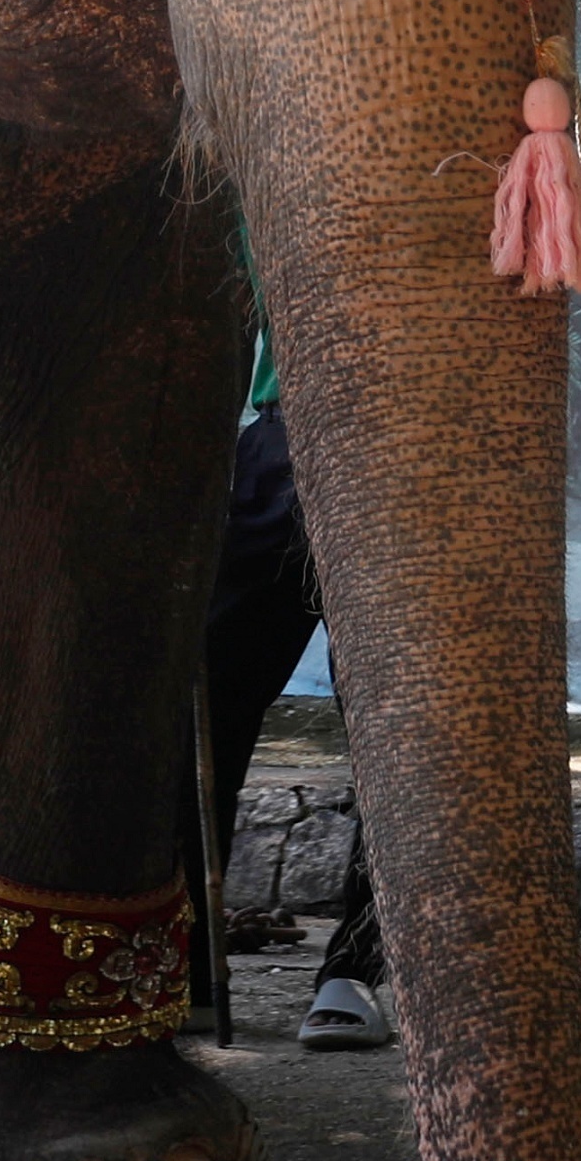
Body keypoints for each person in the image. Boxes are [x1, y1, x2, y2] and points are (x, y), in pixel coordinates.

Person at [187, 322, 389, 1051]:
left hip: (404, 431)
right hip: (276, 435)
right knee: (200, 705)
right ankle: (187, 961)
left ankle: (357, 969)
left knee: (394, 724)